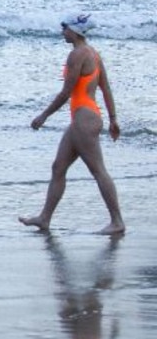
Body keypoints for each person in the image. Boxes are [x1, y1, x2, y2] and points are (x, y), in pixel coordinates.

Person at [20, 14, 125, 235]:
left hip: (84, 119)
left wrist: (43, 116)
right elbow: (105, 89)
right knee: (58, 167)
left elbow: (66, 92)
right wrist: (113, 119)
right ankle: (44, 218)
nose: (62, 32)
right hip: (87, 117)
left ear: (75, 31)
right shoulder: (94, 54)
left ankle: (117, 221)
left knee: (98, 170)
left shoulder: (77, 55)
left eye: (65, 28)